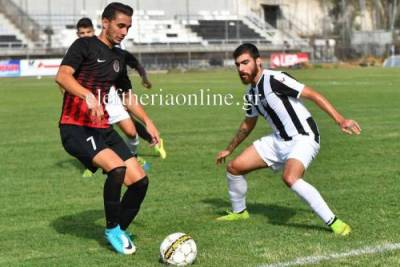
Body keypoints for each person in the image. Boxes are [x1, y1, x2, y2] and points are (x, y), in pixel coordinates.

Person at [215, 43, 361, 236]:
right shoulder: (250, 93)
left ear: (258, 62)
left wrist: (340, 120)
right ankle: (239, 212)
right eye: (238, 65)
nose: (241, 69)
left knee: (290, 177)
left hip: (303, 137)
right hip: (278, 141)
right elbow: (248, 124)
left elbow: (312, 94)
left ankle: (335, 223)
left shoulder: (275, 79)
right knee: (234, 168)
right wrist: (229, 149)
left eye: (245, 63)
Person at [55, 2, 160, 254]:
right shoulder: (84, 45)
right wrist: (86, 95)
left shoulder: (119, 57)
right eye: (120, 25)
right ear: (105, 22)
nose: (124, 31)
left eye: (128, 27)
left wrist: (148, 122)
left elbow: (126, 95)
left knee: (140, 182)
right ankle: (112, 229)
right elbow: (62, 75)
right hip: (75, 127)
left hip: (102, 128)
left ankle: (120, 228)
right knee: (117, 169)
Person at [73, 17, 166, 178]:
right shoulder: (77, 51)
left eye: (88, 32)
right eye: (82, 33)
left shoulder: (115, 53)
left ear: (95, 31)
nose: (86, 35)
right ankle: (92, 164)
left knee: (131, 131)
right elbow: (64, 78)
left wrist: (143, 80)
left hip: (111, 98)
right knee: (93, 134)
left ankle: (132, 156)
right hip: (89, 101)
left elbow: (133, 65)